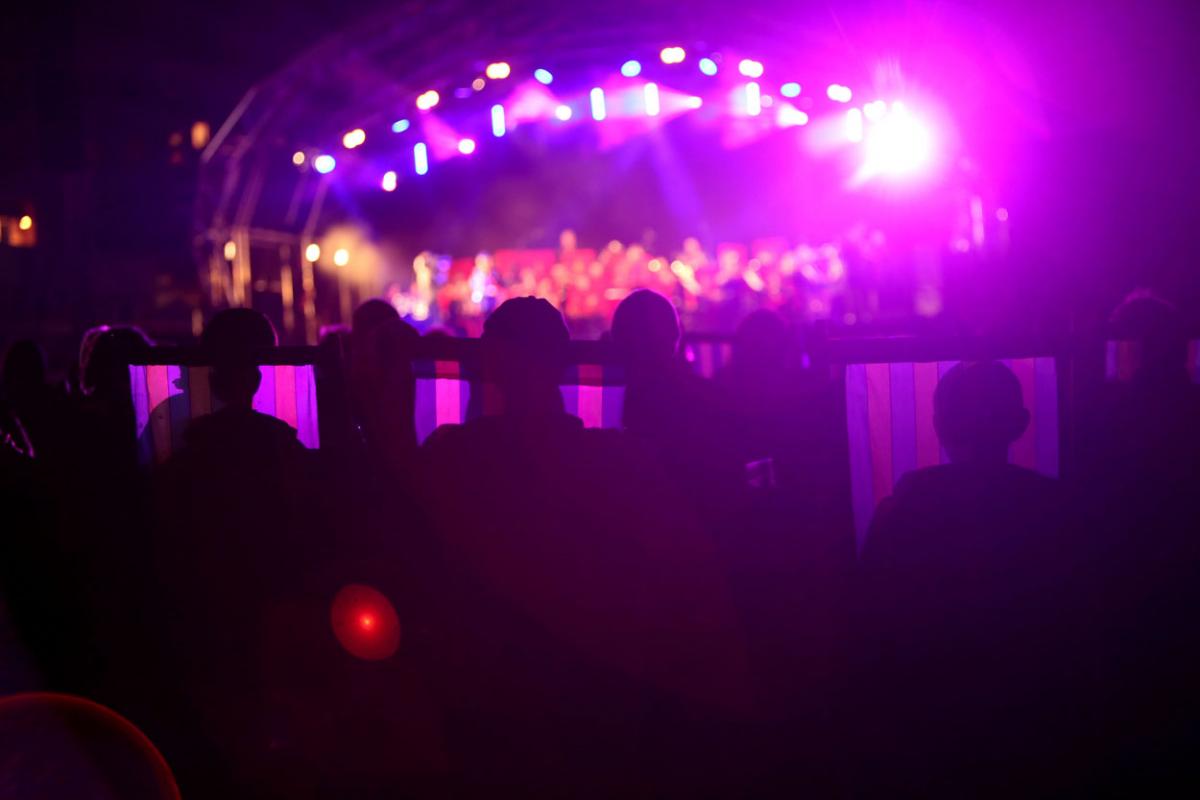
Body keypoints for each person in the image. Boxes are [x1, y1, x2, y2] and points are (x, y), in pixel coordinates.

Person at [422, 297, 750, 795]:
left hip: (494, 697)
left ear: (491, 360)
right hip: (607, 694)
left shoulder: (455, 456)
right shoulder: (621, 459)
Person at [855, 361, 1087, 796]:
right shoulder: (1056, 510)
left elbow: (870, 626)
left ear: (938, 425)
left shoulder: (903, 512)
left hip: (928, 732)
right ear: (1019, 425)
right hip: (1035, 727)